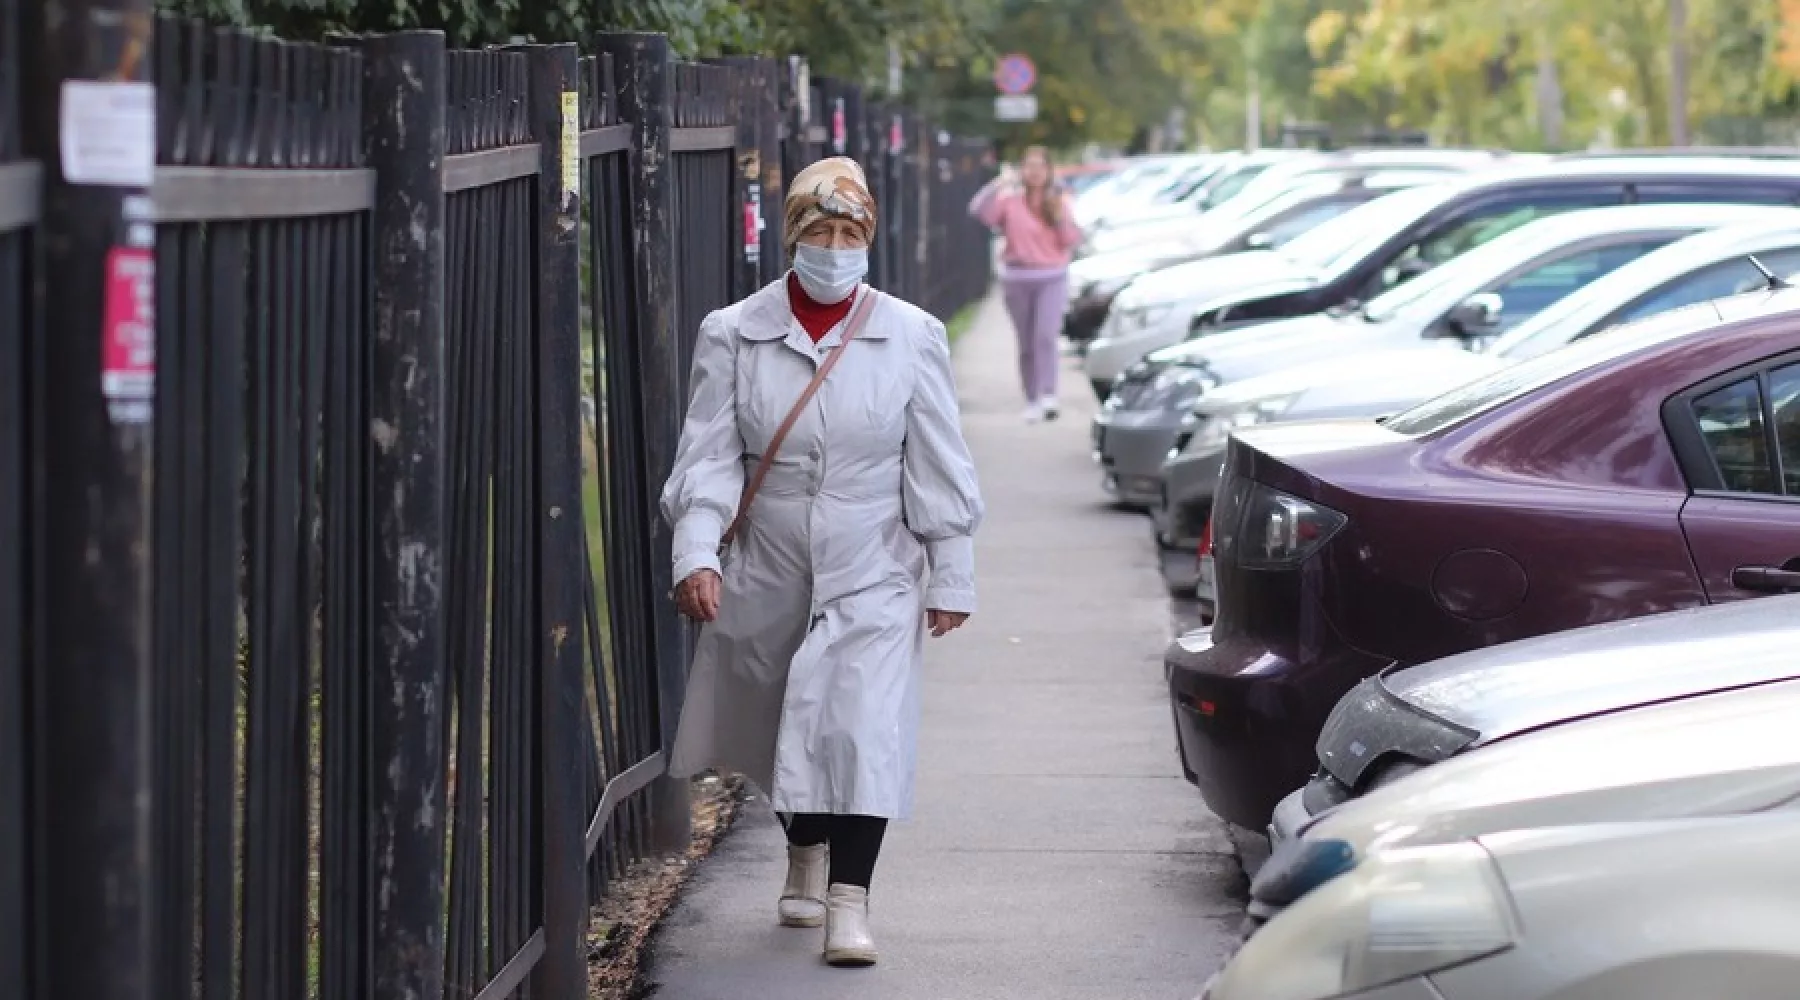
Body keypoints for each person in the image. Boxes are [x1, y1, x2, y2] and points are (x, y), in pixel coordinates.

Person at [660, 156, 985, 968]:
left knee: (859, 724)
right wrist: (697, 549)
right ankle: (802, 848)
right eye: (822, 231)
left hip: (872, 557)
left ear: (866, 239)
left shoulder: (910, 334)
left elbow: (938, 462)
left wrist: (951, 570)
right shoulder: (733, 332)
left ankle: (851, 900)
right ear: (794, 236)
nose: (836, 248)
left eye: (850, 233)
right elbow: (708, 456)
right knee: (776, 720)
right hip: (767, 556)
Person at [968, 145, 1083, 423]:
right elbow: (978, 211)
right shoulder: (1009, 200)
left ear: (1048, 170)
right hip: (1017, 279)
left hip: (1051, 277)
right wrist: (998, 183)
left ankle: (1049, 395)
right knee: (1026, 343)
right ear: (1022, 170)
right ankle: (1031, 398)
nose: (1034, 172)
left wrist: (1061, 216)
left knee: (1045, 336)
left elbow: (1072, 240)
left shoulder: (1058, 201)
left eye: (1039, 166)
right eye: (1029, 166)